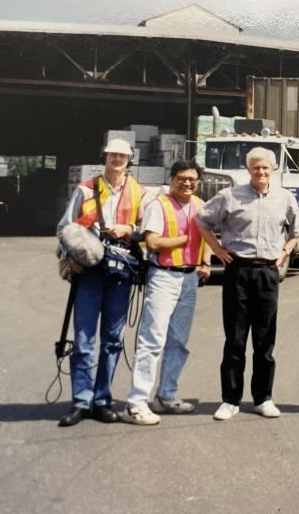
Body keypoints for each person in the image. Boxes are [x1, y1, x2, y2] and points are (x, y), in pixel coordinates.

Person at [196, 146, 299, 420]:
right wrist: (218, 251)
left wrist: (286, 251)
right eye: (256, 167)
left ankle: (262, 398)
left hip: (268, 273)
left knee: (265, 340)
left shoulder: (284, 198)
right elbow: (202, 221)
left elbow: (297, 230)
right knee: (235, 338)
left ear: (273, 169)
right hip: (237, 272)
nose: (261, 172)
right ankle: (230, 400)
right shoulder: (229, 196)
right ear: (248, 170)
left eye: (265, 167)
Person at [55, 138, 147, 427]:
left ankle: (102, 400)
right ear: (104, 157)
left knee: (112, 340)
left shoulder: (140, 192)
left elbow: (147, 229)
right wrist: (72, 257)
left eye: (122, 155)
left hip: (120, 274)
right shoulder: (86, 189)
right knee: (83, 340)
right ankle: (81, 401)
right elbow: (65, 227)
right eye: (112, 155)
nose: (117, 159)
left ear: (129, 160)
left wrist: (130, 230)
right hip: (90, 272)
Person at [119, 160, 212, 426]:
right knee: (152, 340)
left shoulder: (200, 206)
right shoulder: (158, 205)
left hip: (189, 277)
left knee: (178, 341)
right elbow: (153, 242)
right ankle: (136, 403)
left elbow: (206, 237)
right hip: (163, 276)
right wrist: (186, 240)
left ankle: (167, 395)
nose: (187, 183)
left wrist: (204, 263)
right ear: (172, 179)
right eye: (181, 178)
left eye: (192, 179)